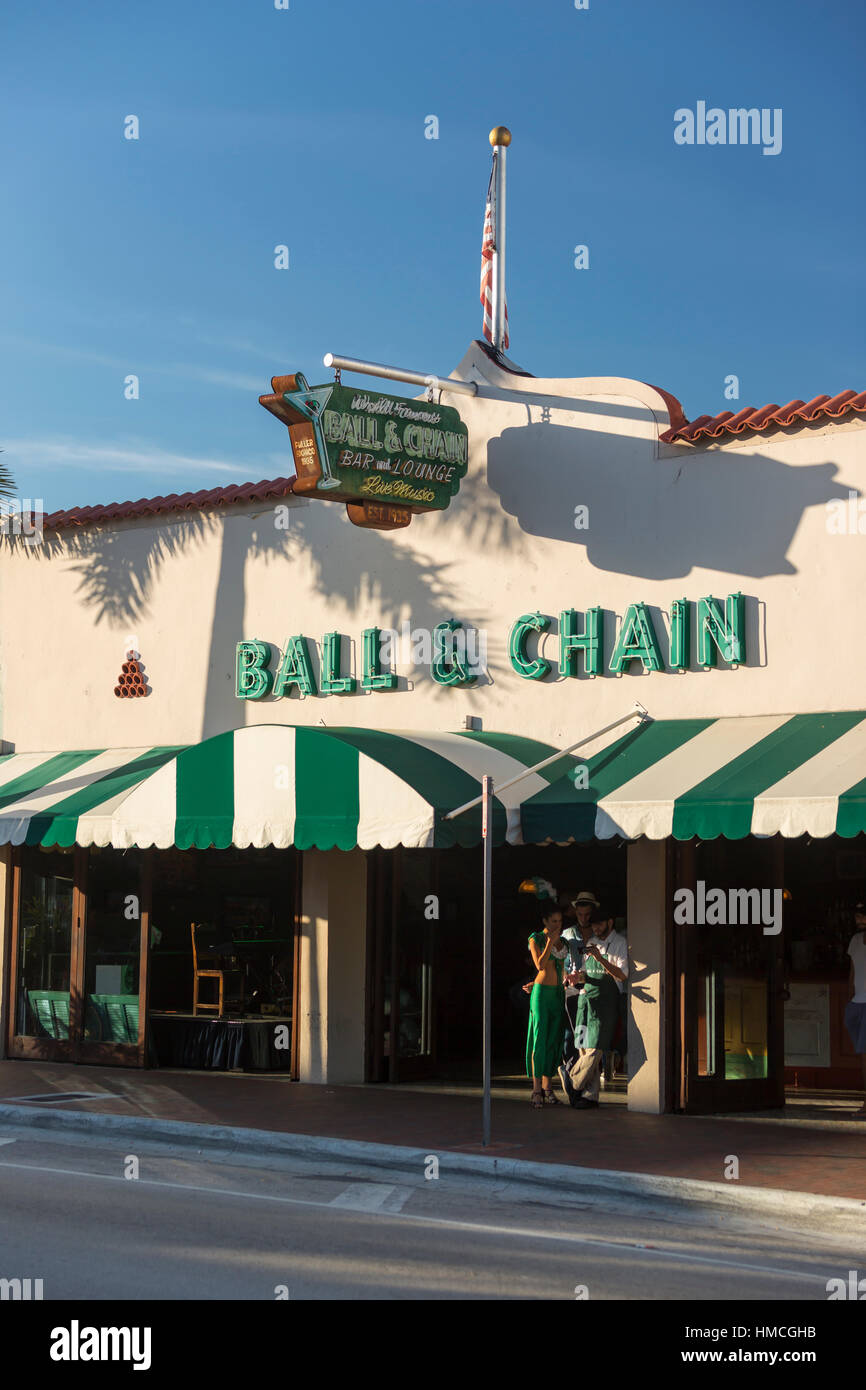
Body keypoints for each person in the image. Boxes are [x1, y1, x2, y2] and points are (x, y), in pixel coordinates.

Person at [558, 903, 628, 1109]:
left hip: (606, 1004)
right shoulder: (592, 942)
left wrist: (600, 959)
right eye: (594, 925)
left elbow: (622, 975)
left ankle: (571, 1078)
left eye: (599, 924)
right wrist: (575, 977)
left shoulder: (620, 943)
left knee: (596, 1047)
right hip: (585, 1001)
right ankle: (590, 1096)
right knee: (583, 1047)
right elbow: (585, 971)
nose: (595, 929)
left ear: (610, 922)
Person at [526, 904, 568, 1108]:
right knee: (540, 1039)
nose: (557, 925)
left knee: (553, 1039)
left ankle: (548, 1087)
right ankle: (536, 1090)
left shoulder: (565, 941)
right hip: (542, 994)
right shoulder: (536, 938)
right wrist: (550, 942)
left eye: (560, 921)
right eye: (553, 921)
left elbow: (564, 968)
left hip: (558, 992)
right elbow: (540, 965)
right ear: (545, 921)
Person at [845, 901, 866, 1119]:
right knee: (862, 1054)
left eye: (862, 916)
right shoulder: (855, 940)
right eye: (857, 916)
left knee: (865, 1057)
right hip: (856, 1004)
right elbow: (852, 971)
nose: (858, 921)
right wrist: (849, 998)